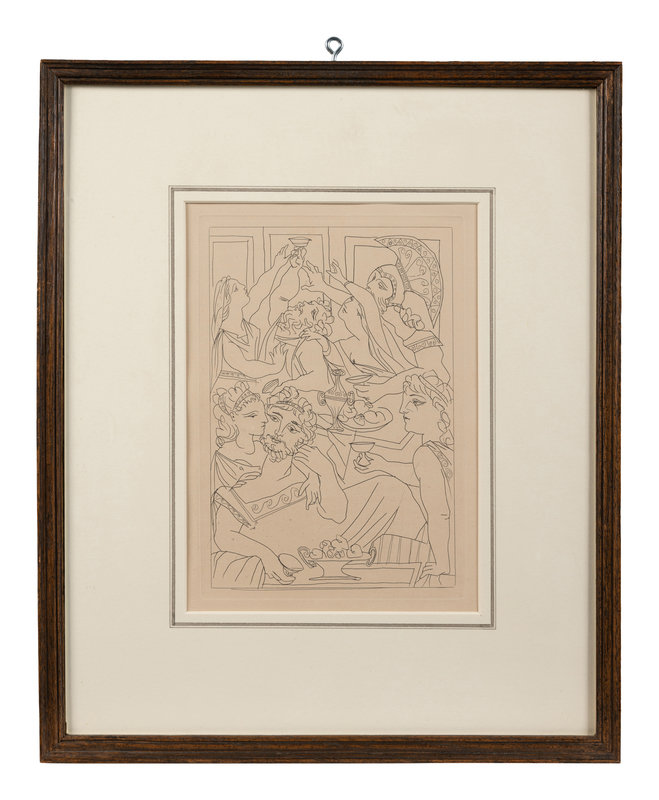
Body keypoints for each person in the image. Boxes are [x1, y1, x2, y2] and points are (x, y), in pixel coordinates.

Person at [354, 370, 453, 584]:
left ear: (440, 408)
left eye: (416, 402)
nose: (403, 409)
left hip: (446, 551)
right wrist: (382, 464)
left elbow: (440, 514)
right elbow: (422, 479)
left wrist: (442, 563)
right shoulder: (444, 450)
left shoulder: (426, 454)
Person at [211, 381, 267, 490]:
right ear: (233, 417)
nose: (265, 420)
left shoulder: (264, 449)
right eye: (253, 416)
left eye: (264, 414)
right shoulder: (222, 457)